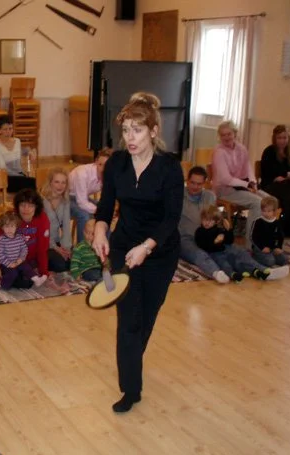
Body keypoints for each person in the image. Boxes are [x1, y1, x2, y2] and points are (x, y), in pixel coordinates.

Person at [92, 92, 184, 413]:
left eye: (138, 130)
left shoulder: (170, 168)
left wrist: (147, 247)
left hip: (160, 251)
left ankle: (131, 360)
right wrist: (100, 229)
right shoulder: (116, 164)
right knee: (129, 319)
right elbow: (105, 207)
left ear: (153, 131)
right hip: (123, 246)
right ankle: (131, 389)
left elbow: (171, 219)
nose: (130, 137)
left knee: (146, 318)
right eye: (126, 130)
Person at [211, 120, 268, 248]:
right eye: (223, 135)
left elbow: (248, 168)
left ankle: (264, 238)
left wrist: (253, 183)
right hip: (225, 189)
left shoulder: (241, 148)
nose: (226, 137)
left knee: (269, 200)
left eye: (229, 134)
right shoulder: (219, 152)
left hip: (241, 186)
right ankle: (251, 244)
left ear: (235, 134)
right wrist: (247, 185)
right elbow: (226, 179)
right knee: (258, 203)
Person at [0, 188, 50, 285]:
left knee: (26, 282)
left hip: (26, 261)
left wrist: (44, 273)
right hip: (5, 258)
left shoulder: (42, 218)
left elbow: (42, 249)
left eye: (30, 206)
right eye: (22, 205)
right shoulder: (10, 218)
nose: (26, 209)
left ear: (36, 207)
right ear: (17, 206)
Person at [178, 166, 230, 284]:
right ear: (187, 181)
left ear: (205, 183)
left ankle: (259, 270)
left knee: (232, 250)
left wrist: (223, 226)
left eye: (199, 184)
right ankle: (216, 272)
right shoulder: (177, 195)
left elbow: (215, 217)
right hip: (186, 238)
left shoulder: (210, 196)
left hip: (209, 235)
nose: (195, 187)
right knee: (198, 254)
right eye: (192, 183)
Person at [194, 206, 266, 282]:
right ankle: (232, 274)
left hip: (225, 251)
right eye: (205, 220)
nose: (207, 222)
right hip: (214, 254)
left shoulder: (218, 230)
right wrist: (214, 242)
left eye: (210, 220)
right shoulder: (200, 231)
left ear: (216, 221)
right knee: (223, 263)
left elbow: (229, 241)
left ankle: (256, 271)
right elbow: (202, 245)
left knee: (239, 257)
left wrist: (228, 230)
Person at [259, 125, 290, 236]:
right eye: (279, 138)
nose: (282, 141)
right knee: (288, 189)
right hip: (269, 186)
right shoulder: (269, 152)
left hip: (287, 185)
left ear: (288, 138)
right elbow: (273, 173)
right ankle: (285, 227)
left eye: (285, 138)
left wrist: (289, 175)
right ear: (275, 138)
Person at [0, 211, 47, 289]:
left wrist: (21, 259)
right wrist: (9, 264)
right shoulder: (0, 239)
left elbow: (24, 249)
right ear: (2, 227)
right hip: (6, 264)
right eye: (7, 226)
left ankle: (36, 279)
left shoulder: (19, 237)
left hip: (18, 261)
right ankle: (1, 284)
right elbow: (0, 255)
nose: (9, 229)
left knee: (27, 267)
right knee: (13, 273)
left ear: (16, 227)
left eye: (12, 226)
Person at [69, 149, 111, 242]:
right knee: (84, 215)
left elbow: (106, 199)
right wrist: (99, 210)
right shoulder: (82, 173)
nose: (103, 169)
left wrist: (104, 209)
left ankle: (107, 244)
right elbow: (82, 202)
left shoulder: (108, 175)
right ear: (95, 162)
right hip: (66, 197)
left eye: (106, 166)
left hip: (82, 196)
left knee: (106, 211)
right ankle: (82, 248)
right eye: (100, 164)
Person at [0, 115, 36, 193]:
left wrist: (30, 152)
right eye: (5, 129)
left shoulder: (17, 141)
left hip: (19, 177)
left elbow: (24, 150)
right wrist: (21, 176)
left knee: (35, 183)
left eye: (10, 128)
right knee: (32, 184)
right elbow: (3, 169)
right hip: (5, 179)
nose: (8, 132)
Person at [41, 167, 72, 272]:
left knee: (71, 261)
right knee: (60, 265)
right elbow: (41, 230)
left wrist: (66, 248)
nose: (60, 186)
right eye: (57, 182)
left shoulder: (65, 201)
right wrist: (55, 248)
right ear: (50, 183)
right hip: (44, 242)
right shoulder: (42, 200)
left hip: (56, 241)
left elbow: (66, 226)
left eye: (63, 182)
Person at [251, 196, 288, 267]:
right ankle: (254, 257)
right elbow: (253, 237)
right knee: (270, 261)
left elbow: (280, 236)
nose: (265, 213)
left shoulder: (276, 222)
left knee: (284, 259)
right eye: (263, 211)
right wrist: (262, 247)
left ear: (274, 211)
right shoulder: (258, 221)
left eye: (268, 211)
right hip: (259, 247)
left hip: (272, 248)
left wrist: (278, 247)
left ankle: (271, 256)